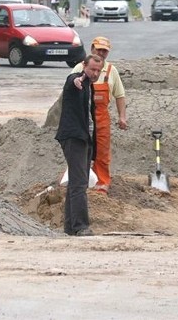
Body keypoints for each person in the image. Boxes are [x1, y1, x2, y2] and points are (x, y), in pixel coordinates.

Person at [71, 36, 128, 194]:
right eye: (99, 49)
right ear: (92, 49)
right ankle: (80, 181)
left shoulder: (111, 71)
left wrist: (122, 117)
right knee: (81, 150)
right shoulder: (79, 68)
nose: (101, 53)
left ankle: (101, 183)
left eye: (105, 51)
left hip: (102, 119)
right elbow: (68, 93)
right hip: (82, 117)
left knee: (102, 152)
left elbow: (120, 95)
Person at [56, 53, 104, 236]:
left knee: (77, 183)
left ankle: (70, 227)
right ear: (84, 66)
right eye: (92, 69)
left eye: (98, 70)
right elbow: (72, 80)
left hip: (84, 138)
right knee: (79, 183)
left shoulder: (91, 87)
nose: (95, 73)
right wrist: (78, 78)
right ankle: (80, 226)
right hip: (74, 137)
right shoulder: (77, 81)